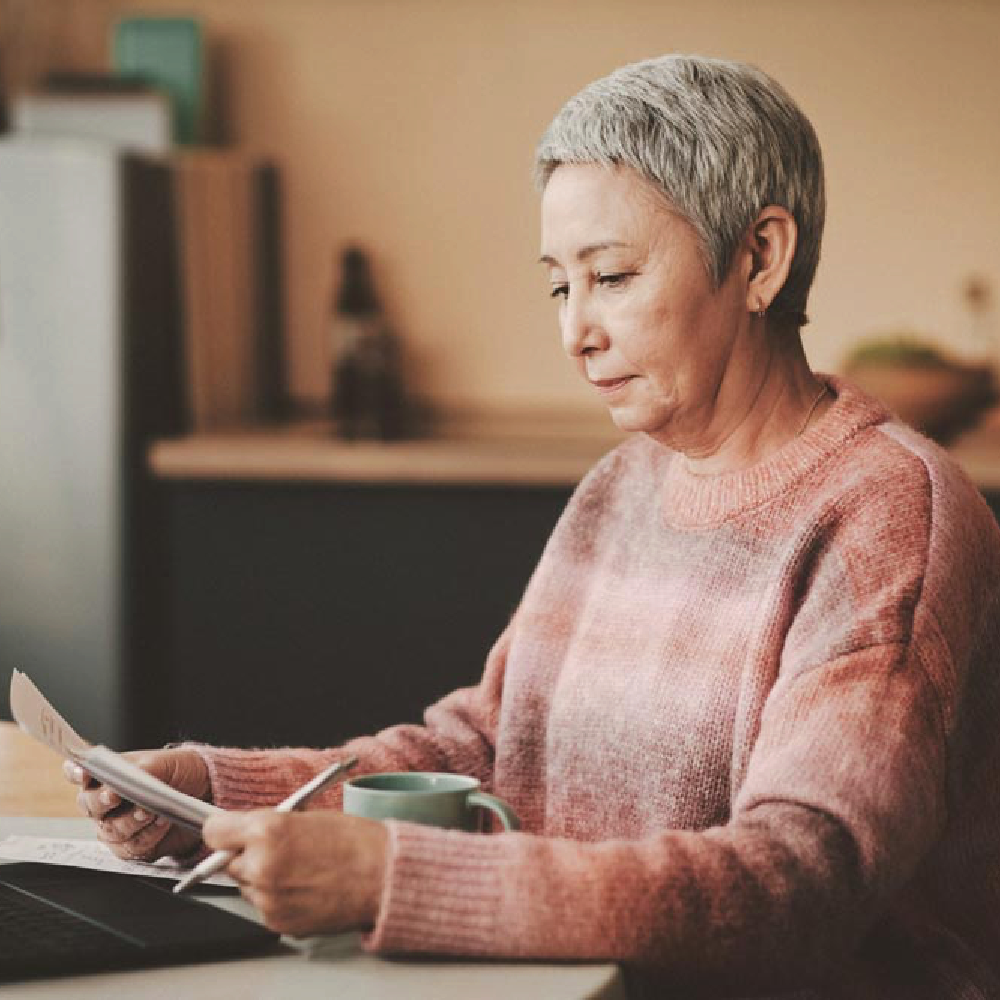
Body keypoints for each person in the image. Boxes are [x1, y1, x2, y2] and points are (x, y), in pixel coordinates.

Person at [67, 54, 1000, 998]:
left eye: (615, 276)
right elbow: (485, 749)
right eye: (561, 286)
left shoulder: (890, 513)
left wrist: (391, 877)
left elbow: (800, 881)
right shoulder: (622, 486)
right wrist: (212, 793)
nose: (576, 332)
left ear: (760, 258)